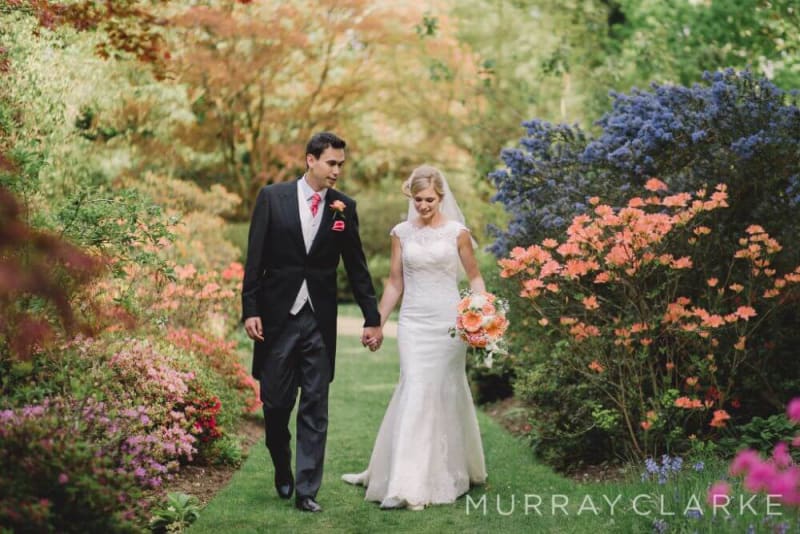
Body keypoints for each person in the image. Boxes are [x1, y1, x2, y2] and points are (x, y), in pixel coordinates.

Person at [241, 132, 383, 513]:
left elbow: (357, 267)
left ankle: (306, 489)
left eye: (340, 164)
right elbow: (254, 259)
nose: (337, 170)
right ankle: (282, 466)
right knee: (275, 404)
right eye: (331, 163)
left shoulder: (343, 208)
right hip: (276, 319)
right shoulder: (273, 198)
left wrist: (373, 318)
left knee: (315, 405)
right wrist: (250, 308)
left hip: (319, 322)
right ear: (310, 160)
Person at [342, 164, 487, 510]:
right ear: (411, 196)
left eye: (430, 200)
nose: (423, 205)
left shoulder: (457, 232)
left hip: (449, 325)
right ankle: (402, 485)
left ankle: (452, 469)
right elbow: (395, 282)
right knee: (415, 387)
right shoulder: (401, 233)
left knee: (443, 392)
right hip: (413, 323)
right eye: (418, 199)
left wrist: (481, 314)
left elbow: (475, 278)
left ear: (441, 197)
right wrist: (377, 322)